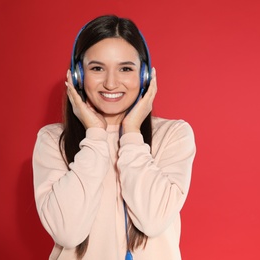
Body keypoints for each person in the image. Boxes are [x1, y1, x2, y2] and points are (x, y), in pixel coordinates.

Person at [32, 14, 196, 260]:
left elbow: (153, 219)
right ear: (77, 76)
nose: (110, 83)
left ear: (144, 77)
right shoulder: (52, 140)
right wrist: (95, 136)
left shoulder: (173, 135)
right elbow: (67, 232)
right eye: (97, 68)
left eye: (125, 69)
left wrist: (131, 133)